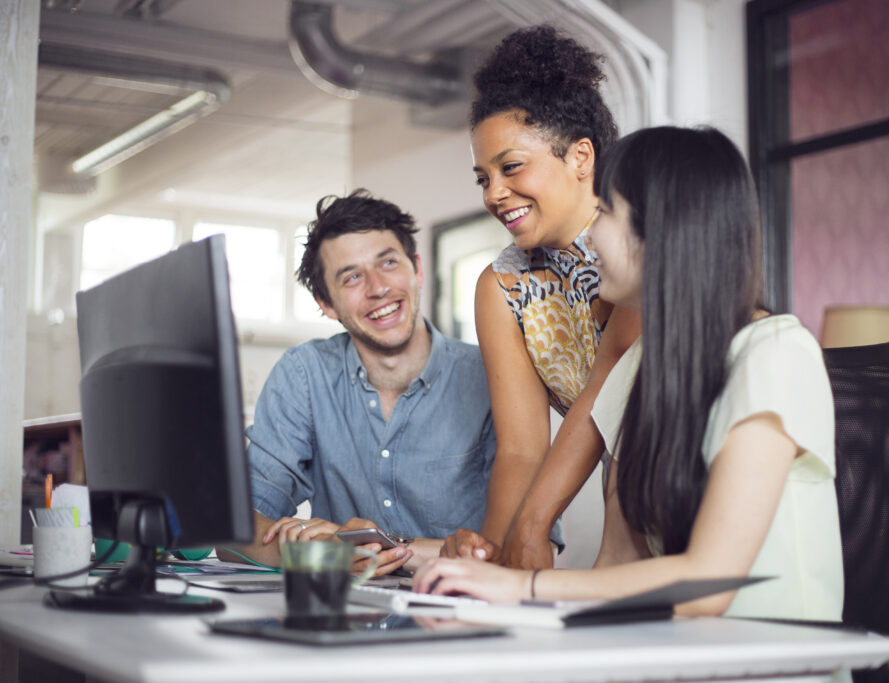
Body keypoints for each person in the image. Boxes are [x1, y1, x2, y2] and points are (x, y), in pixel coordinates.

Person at [415, 126, 844, 622]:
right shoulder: (640, 363)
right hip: (674, 661)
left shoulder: (776, 354)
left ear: (662, 229)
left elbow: (708, 585)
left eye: (605, 214)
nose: (590, 236)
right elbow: (616, 562)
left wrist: (521, 588)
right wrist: (496, 591)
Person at [442, 25, 641, 568]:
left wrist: (531, 531)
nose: (494, 193)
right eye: (482, 178)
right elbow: (522, 450)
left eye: (510, 167)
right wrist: (494, 561)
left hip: (708, 483)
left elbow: (611, 397)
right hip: (630, 507)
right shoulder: (503, 286)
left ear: (581, 157)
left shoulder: (643, 247)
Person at [218, 189, 496, 574]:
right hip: (347, 614)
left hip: (468, 613)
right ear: (326, 303)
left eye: (388, 262)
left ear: (416, 268)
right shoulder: (304, 375)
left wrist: (388, 549)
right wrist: (321, 554)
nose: (378, 287)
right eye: (352, 277)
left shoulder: (489, 377)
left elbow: (526, 545)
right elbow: (234, 533)